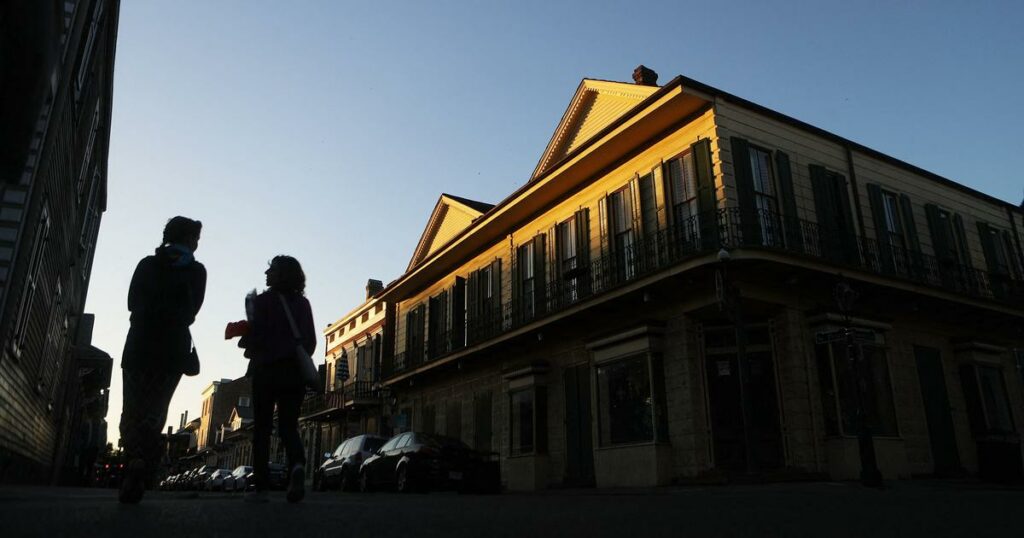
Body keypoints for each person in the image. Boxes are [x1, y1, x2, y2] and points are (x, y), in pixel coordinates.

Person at [119, 216, 206, 504]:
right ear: (189, 240)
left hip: (139, 345)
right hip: (171, 351)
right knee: (155, 410)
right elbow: (192, 312)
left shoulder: (147, 264)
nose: (197, 243)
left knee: (132, 408)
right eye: (195, 238)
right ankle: (143, 464)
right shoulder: (196, 271)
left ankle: (133, 459)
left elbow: (132, 301)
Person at [236, 255, 316, 503]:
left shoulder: (261, 302)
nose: (266, 274)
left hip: (266, 370)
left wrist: (244, 336)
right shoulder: (303, 304)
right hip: (294, 373)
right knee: (288, 426)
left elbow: (255, 337)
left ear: (279, 274)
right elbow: (310, 343)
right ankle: (297, 465)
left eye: (270, 270)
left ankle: (261, 484)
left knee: (262, 427)